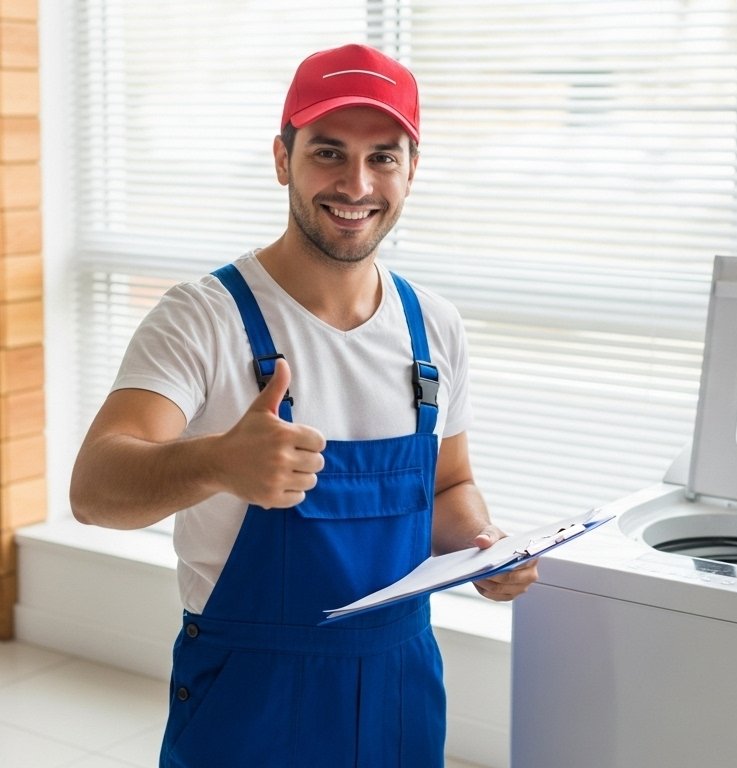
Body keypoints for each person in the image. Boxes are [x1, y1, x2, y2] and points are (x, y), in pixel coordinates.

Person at [70, 43, 539, 768]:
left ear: (412, 170)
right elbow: (95, 492)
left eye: (383, 156)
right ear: (283, 158)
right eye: (328, 152)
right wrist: (217, 463)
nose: (357, 182)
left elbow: (449, 487)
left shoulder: (433, 326)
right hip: (251, 696)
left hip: (401, 687)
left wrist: (484, 546)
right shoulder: (203, 317)